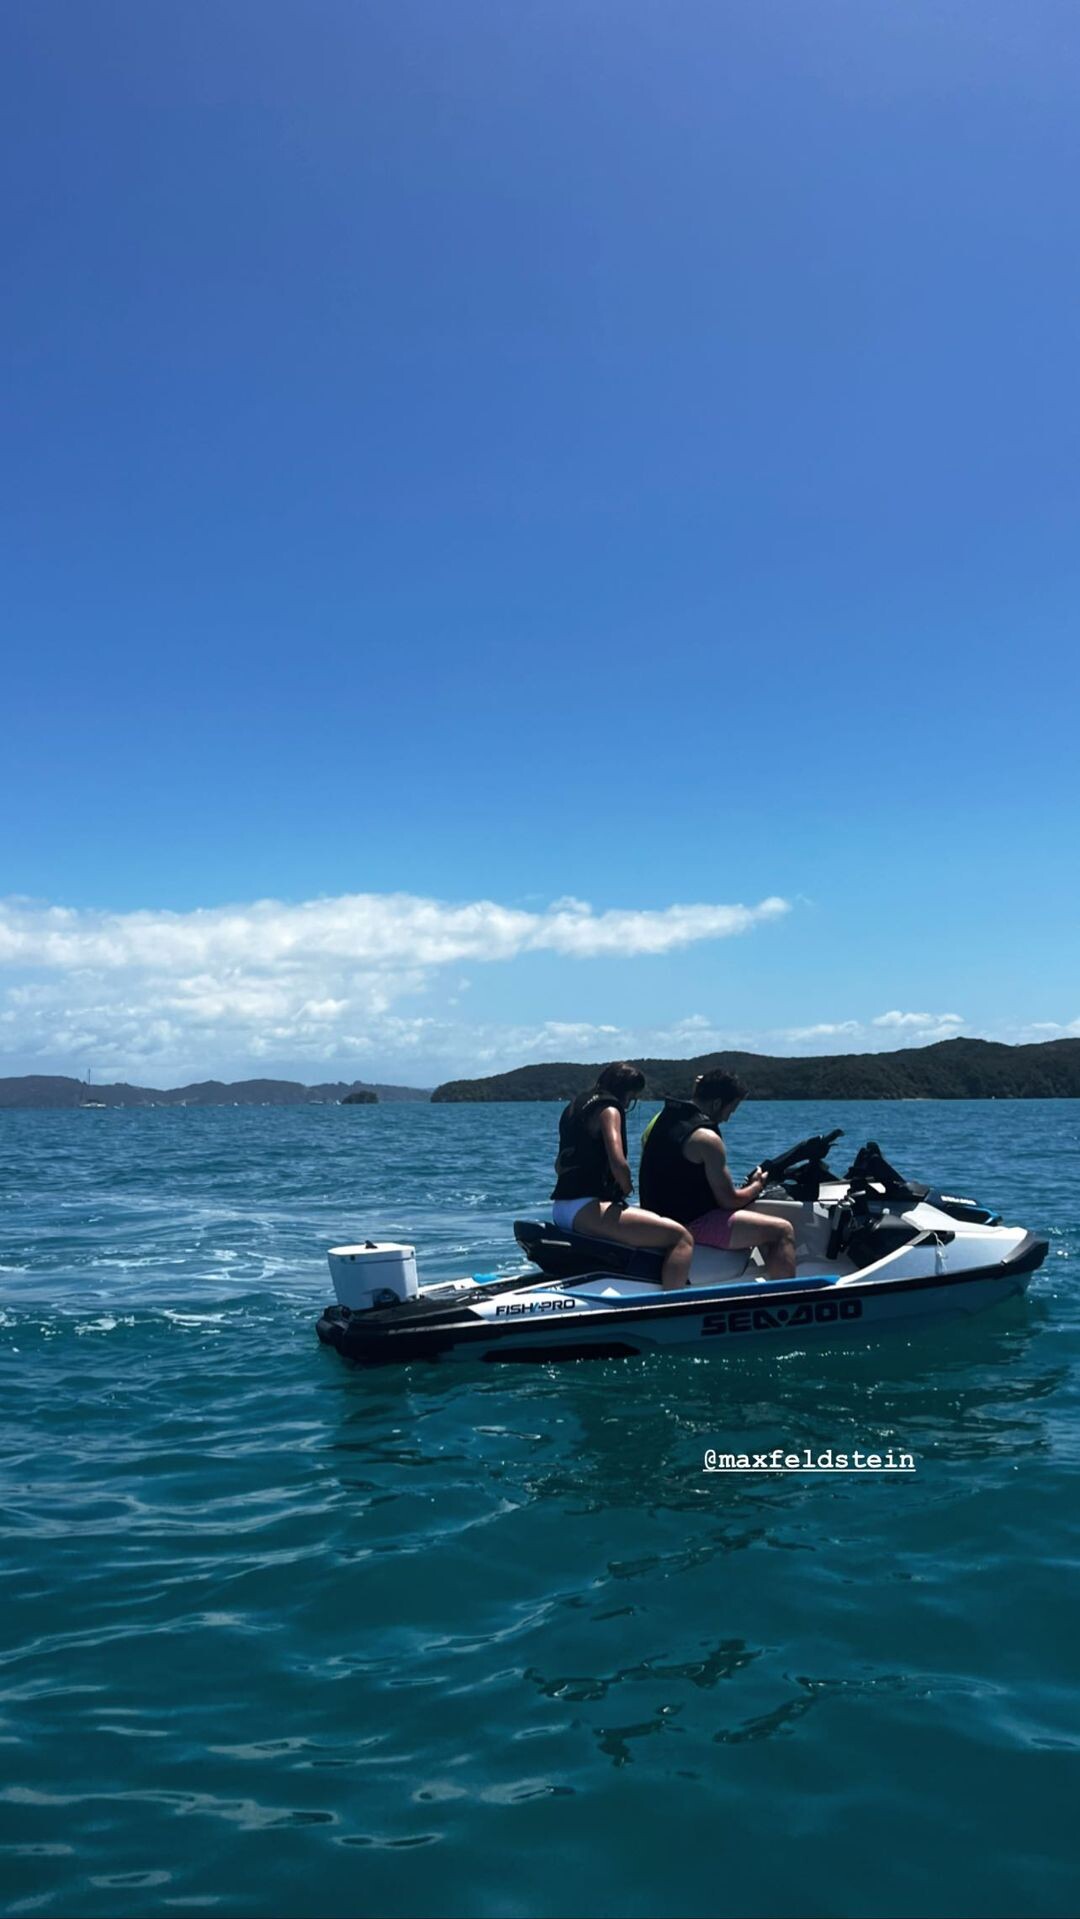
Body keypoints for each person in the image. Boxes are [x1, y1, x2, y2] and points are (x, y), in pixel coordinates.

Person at [638, 1068, 796, 1279]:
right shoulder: (706, 1139)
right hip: (691, 1223)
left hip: (654, 1215)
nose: (728, 1118)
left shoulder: (662, 1120)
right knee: (782, 1231)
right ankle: (784, 1294)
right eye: (731, 1110)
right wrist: (757, 1185)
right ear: (716, 1104)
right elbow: (729, 1201)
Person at [551, 1062, 694, 1290]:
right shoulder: (609, 1109)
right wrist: (626, 1189)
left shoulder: (574, 1107)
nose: (628, 1104)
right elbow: (618, 1162)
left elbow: (559, 1166)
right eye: (632, 1098)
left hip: (562, 1209)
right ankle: (671, 1301)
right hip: (587, 1210)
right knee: (681, 1237)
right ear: (626, 1092)